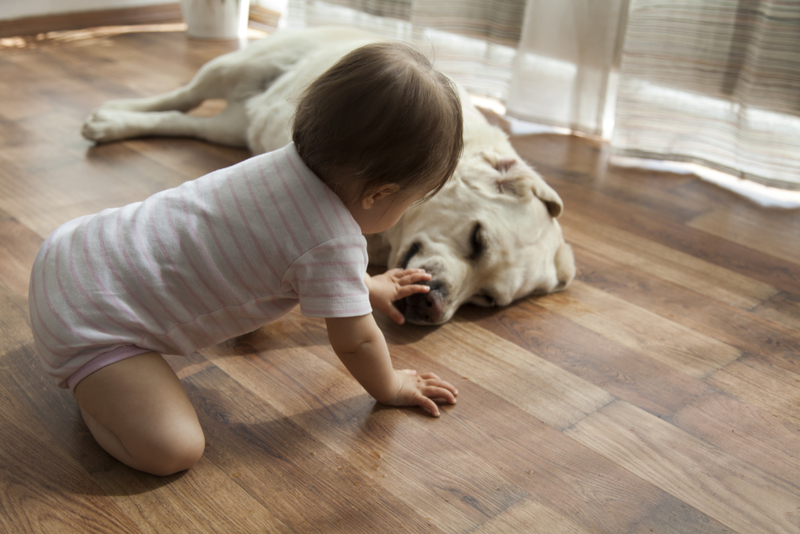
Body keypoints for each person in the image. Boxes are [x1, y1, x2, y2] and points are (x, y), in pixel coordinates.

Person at [28, 41, 464, 476]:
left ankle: (102, 385)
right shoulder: (332, 242)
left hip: (73, 247)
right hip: (90, 327)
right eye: (411, 201)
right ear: (379, 194)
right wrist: (389, 385)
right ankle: (94, 394)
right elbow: (357, 340)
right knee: (173, 450)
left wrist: (368, 286)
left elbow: (317, 266)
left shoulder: (283, 163)